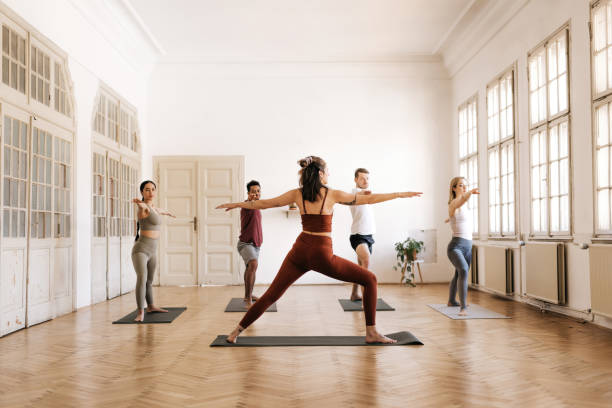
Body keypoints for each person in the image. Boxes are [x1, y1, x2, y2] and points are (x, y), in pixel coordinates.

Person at [216, 156, 422, 343]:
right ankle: (371, 332)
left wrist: (236, 204)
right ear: (321, 174)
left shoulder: (297, 194)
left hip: (299, 251)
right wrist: (399, 194)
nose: (330, 174)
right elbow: (369, 200)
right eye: (328, 171)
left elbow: (265, 204)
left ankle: (235, 332)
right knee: (370, 279)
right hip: (321, 254)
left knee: (271, 294)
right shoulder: (331, 194)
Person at [131, 180, 175, 322]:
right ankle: (140, 312)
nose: (151, 193)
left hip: (152, 251)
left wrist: (167, 212)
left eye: (153, 189)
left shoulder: (154, 208)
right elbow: (143, 206)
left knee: (149, 281)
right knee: (142, 278)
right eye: (147, 190)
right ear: (142, 192)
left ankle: (151, 306)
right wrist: (140, 203)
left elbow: (158, 210)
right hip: (141, 250)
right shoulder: (143, 208)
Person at [446, 177, 479, 316]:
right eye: (461, 185)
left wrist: (449, 219)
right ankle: (463, 307)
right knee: (464, 270)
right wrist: (470, 192)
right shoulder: (455, 202)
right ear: (454, 188)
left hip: (468, 245)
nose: (464, 188)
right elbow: (460, 201)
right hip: (456, 247)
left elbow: (459, 217)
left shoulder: (464, 206)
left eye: (466, 186)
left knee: (458, 273)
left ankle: (452, 301)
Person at [348, 168, 375, 301]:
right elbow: (361, 193)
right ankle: (367, 300)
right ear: (356, 180)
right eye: (362, 178)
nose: (365, 181)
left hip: (369, 236)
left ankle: (354, 294)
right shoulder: (355, 193)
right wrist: (366, 192)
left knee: (361, 268)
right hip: (358, 236)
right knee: (366, 261)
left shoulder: (366, 196)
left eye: (367, 178)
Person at [238, 180, 263, 306]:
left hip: (256, 244)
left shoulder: (258, 206)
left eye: (258, 191)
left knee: (251, 267)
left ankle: (249, 294)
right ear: (248, 193)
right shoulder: (247, 205)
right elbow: (247, 203)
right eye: (253, 191)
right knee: (253, 264)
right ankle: (247, 298)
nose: (256, 194)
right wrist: (249, 200)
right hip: (245, 243)